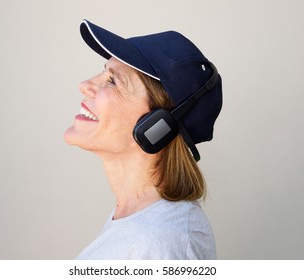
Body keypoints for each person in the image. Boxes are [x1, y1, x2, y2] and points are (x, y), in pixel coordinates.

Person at [64, 19, 223, 260]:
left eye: (113, 81)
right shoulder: (139, 224)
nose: (85, 85)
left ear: (157, 127)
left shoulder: (163, 243)